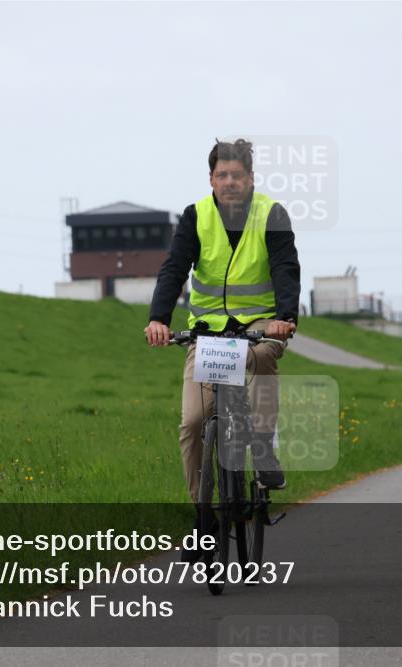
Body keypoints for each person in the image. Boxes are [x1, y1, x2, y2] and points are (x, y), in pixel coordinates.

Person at [144, 139, 300, 561]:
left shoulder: (272, 214)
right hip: (208, 331)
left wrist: (285, 317)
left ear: (251, 179)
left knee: (264, 356)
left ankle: (263, 445)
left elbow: (285, 267)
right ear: (211, 178)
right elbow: (174, 267)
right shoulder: (196, 216)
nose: (229, 182)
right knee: (194, 423)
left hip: (260, 325)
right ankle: (203, 518)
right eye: (221, 175)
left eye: (237, 175)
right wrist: (159, 319)